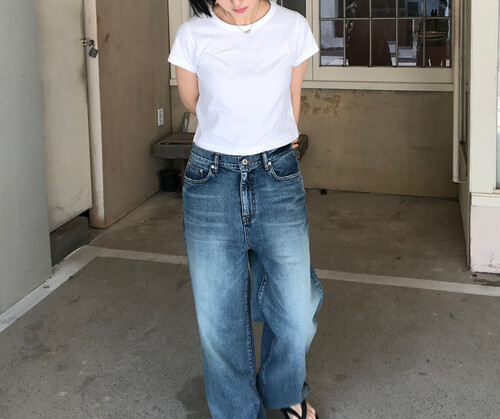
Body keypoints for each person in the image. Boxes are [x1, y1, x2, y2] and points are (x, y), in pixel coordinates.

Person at [168, 1, 323, 418]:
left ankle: (284, 389)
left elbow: (292, 99)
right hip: (211, 178)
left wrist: (277, 138)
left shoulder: (292, 27)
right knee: (219, 316)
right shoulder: (192, 35)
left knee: (297, 307)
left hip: (277, 174)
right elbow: (194, 102)